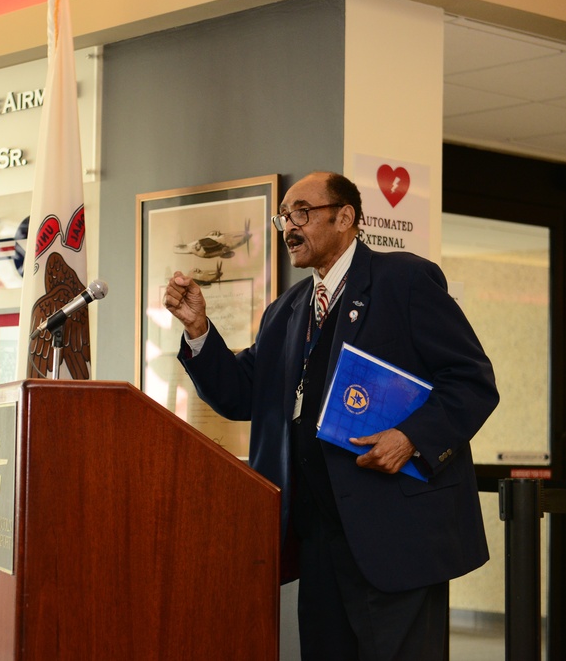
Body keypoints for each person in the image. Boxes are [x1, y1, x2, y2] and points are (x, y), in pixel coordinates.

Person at [164, 171, 498, 660]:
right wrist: (198, 329)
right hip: (317, 537)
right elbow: (241, 396)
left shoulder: (402, 280)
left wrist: (410, 436)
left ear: (345, 218)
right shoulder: (286, 311)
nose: (288, 227)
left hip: (395, 535)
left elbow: (471, 381)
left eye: (301, 213)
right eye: (284, 217)